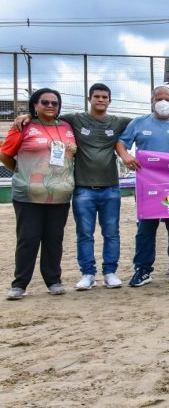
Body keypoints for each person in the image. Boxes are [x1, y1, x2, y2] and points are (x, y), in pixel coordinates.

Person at [13, 83, 133, 290]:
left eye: (105, 97)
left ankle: (110, 272)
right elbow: (46, 117)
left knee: (111, 233)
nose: (101, 100)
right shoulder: (74, 120)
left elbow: (146, 122)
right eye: (97, 96)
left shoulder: (118, 122)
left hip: (111, 188)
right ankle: (87, 274)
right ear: (89, 99)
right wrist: (27, 116)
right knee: (84, 234)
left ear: (110, 100)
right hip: (83, 189)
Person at [115, 85, 169, 286]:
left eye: (167, 99)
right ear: (152, 101)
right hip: (148, 187)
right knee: (146, 228)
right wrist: (126, 155)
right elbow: (121, 143)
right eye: (159, 99)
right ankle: (143, 270)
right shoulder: (139, 123)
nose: (163, 102)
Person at [1, 88, 76, 300]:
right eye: (45, 102)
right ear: (35, 105)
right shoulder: (24, 126)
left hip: (59, 195)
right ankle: (20, 284)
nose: (50, 106)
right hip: (28, 195)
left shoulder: (68, 127)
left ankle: (53, 280)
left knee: (54, 239)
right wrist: (22, 171)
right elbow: (5, 155)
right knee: (28, 238)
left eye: (55, 103)